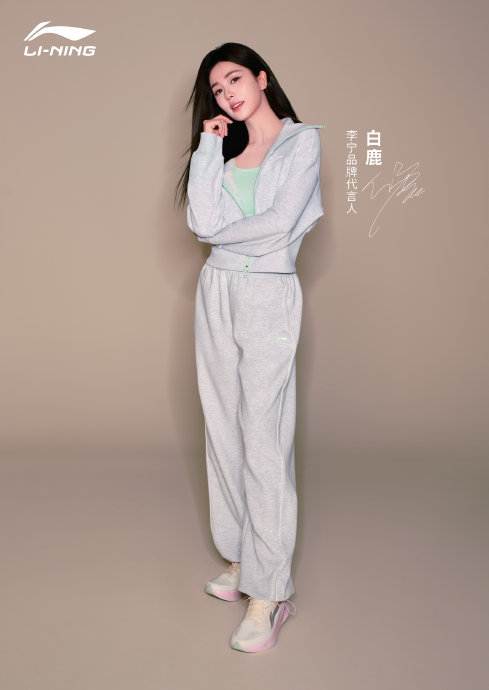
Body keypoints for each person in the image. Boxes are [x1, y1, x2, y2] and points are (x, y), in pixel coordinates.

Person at [174, 42, 325, 653]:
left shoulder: (302, 142)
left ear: (262, 78)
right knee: (223, 428)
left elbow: (281, 225)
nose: (227, 94)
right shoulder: (222, 150)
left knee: (264, 438)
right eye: (217, 89)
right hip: (215, 293)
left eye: (234, 79)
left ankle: (271, 591)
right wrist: (209, 147)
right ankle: (242, 557)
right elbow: (199, 221)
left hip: (268, 295)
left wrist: (222, 235)